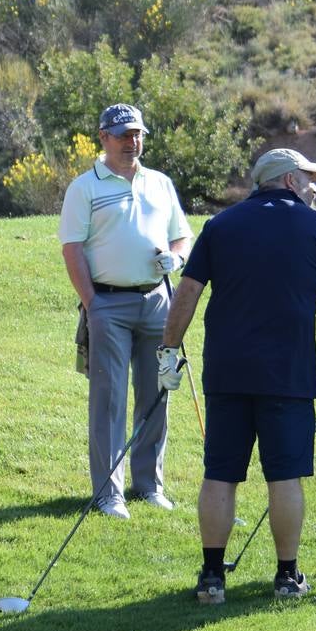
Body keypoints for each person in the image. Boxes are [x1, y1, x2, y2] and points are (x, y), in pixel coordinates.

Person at [157, 148, 316, 604]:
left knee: (220, 473)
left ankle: (212, 578)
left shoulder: (221, 225)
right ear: (288, 180)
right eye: (307, 177)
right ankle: (286, 576)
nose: (313, 185)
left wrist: (168, 351)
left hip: (228, 371)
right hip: (288, 373)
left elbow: (189, 292)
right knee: (284, 476)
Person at [59, 103, 192, 519]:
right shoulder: (85, 187)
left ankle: (149, 484)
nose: (131, 142)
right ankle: (108, 492)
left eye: (136, 134)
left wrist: (176, 258)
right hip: (108, 302)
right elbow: (72, 248)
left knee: (156, 394)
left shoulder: (159, 183)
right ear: (103, 138)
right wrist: (93, 302)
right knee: (109, 398)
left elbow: (181, 237)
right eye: (122, 135)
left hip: (157, 300)